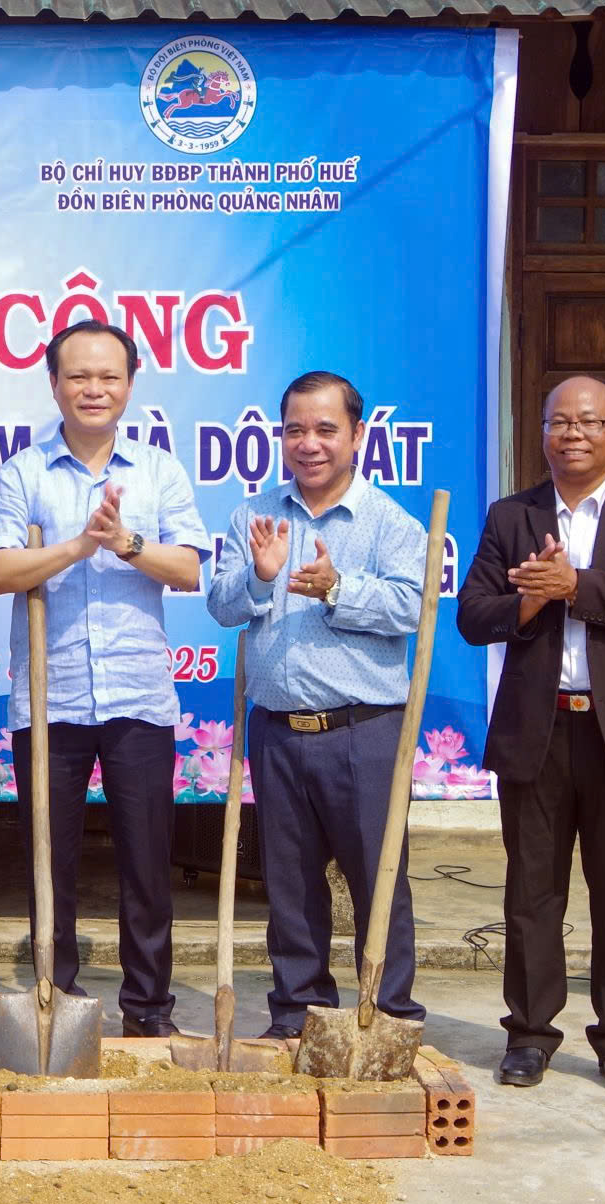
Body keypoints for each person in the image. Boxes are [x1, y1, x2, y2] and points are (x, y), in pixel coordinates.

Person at [457, 375, 605, 1096]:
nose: (573, 434)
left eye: (589, 422)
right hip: (538, 729)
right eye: (559, 422)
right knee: (532, 893)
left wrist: (577, 586)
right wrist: (530, 600)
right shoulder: (511, 516)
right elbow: (473, 614)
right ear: (542, 433)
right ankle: (529, 1034)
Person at [0, 320, 208, 1037]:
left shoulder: (159, 471)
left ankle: (149, 1006)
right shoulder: (23, 472)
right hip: (50, 702)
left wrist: (127, 542)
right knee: (52, 862)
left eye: (108, 377)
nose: (93, 389)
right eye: (78, 376)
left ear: (131, 385)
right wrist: (79, 544)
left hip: (139, 698)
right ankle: (58, 997)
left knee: (147, 863)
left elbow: (191, 567)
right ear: (54, 384)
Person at [206, 370, 427, 1041]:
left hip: (364, 731)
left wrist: (338, 587)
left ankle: (384, 1017)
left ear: (359, 435)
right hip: (276, 730)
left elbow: (412, 608)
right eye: (295, 429)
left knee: (377, 880)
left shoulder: (389, 522)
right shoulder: (254, 515)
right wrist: (260, 576)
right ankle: (297, 1012)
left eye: (326, 429)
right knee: (290, 887)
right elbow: (220, 604)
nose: (309, 443)